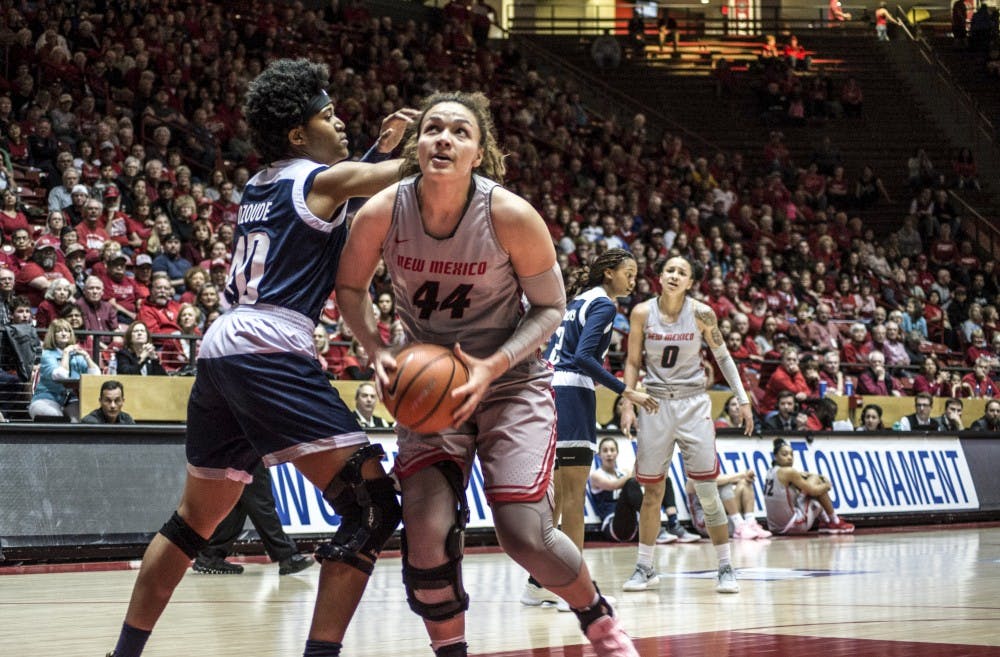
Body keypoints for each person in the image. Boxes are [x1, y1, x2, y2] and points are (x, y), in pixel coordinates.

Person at [105, 58, 417, 657]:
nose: (341, 121)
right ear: (299, 134)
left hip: (222, 347)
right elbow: (387, 176)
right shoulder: (319, 182)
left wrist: (374, 147)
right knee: (372, 507)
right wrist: (435, 137)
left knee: (193, 521)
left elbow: (342, 188)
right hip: (270, 347)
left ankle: (125, 653)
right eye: (329, 115)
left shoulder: (262, 183)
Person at [336, 91, 639, 657]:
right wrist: (376, 349)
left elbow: (552, 308)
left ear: (479, 153)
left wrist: (493, 363)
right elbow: (350, 288)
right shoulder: (383, 210)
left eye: (458, 131)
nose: (443, 139)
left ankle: (597, 617)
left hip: (510, 382)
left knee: (524, 536)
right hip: (432, 385)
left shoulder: (510, 214)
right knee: (425, 536)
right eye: (432, 129)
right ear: (417, 145)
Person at [618, 255, 754, 595]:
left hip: (693, 404)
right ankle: (644, 567)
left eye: (682, 272)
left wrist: (743, 398)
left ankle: (725, 567)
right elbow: (633, 361)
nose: (675, 276)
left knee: (708, 491)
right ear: (660, 277)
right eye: (669, 270)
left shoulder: (703, 313)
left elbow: (723, 357)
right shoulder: (641, 313)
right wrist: (627, 402)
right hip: (654, 403)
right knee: (652, 492)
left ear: (691, 282)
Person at [540, 248, 657, 570]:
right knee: (574, 498)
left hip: (549, 391)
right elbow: (583, 358)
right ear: (608, 272)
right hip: (573, 396)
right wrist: (626, 391)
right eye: (628, 274)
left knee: (559, 498)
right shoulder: (604, 304)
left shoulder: (578, 300)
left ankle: (539, 581)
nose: (633, 281)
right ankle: (574, 582)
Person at [191, 460, 315, 577]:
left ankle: (211, 556)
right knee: (260, 500)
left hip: (233, 448)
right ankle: (287, 556)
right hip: (245, 447)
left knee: (238, 503)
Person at [764, 438, 855, 534]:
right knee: (817, 492)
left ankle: (826, 521)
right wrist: (827, 485)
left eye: (791, 454)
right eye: (785, 454)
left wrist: (811, 476)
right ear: (775, 456)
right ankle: (834, 521)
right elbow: (813, 490)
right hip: (792, 525)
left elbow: (801, 475)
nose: (789, 457)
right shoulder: (789, 472)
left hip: (774, 527)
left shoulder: (770, 471)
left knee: (811, 482)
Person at [29, 317, 101, 421]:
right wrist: (66, 353)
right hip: (46, 399)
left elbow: (96, 376)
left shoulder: (77, 355)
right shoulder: (47, 355)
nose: (64, 333)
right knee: (56, 418)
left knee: (82, 419)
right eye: (59, 331)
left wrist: (87, 357)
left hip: (71, 400)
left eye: (67, 331)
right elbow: (61, 376)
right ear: (52, 335)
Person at [685, 470, 771, 540]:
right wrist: (742, 474)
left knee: (745, 483)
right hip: (706, 524)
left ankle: (750, 522)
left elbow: (726, 479)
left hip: (722, 518)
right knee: (725, 485)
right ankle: (739, 526)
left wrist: (745, 477)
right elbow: (714, 481)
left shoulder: (712, 472)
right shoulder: (692, 479)